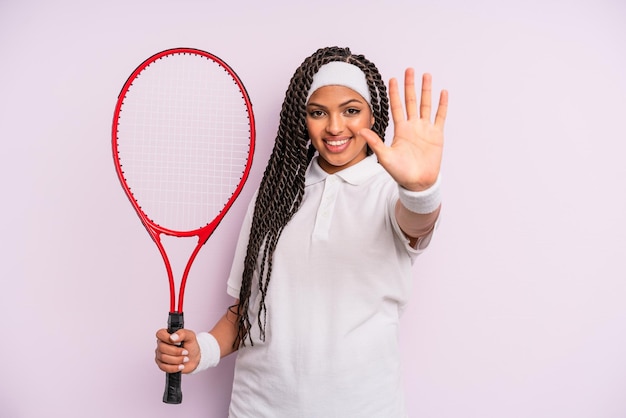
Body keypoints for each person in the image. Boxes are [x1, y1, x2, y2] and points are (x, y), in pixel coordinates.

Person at [155, 46, 449, 417]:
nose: (335, 127)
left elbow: (417, 225)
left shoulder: (390, 190)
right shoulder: (276, 193)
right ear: (302, 119)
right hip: (258, 407)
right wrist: (204, 350)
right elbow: (249, 308)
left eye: (351, 111)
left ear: (373, 114)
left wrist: (421, 190)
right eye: (318, 113)